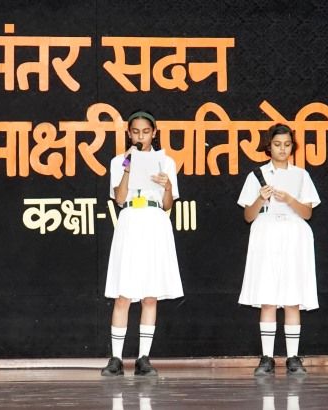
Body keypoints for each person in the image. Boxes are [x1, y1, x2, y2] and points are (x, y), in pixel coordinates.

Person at [100, 111, 184, 377]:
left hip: (155, 220)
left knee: (150, 294)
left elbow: (168, 204)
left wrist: (167, 186)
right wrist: (128, 168)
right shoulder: (119, 161)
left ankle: (143, 358)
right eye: (135, 132)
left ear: (154, 133)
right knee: (123, 293)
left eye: (146, 132)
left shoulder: (166, 162)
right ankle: (115, 358)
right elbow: (119, 198)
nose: (140, 136)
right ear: (129, 133)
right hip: (130, 220)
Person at [237, 123, 321, 376]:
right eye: (277, 144)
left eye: (286, 144)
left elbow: (307, 213)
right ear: (269, 146)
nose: (282, 149)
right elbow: (248, 216)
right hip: (266, 232)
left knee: (293, 297)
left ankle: (293, 357)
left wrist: (290, 199)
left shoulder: (301, 175)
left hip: (294, 234)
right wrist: (261, 198)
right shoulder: (257, 175)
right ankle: (267, 357)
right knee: (268, 297)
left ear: (292, 147)